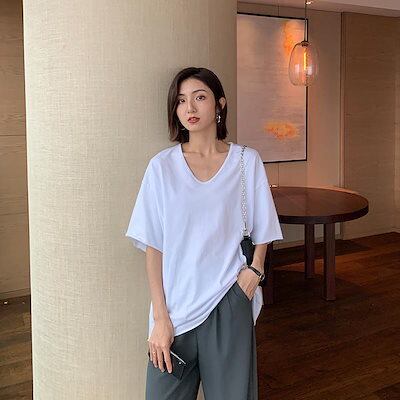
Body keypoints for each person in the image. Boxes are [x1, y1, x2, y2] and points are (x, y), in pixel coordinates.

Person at [125, 67, 283, 399]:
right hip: (175, 312)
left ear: (219, 104)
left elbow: (265, 225)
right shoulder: (161, 167)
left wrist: (254, 272)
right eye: (181, 100)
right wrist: (160, 318)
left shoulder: (246, 161)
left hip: (229, 301)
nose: (190, 108)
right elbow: (154, 247)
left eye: (200, 97)